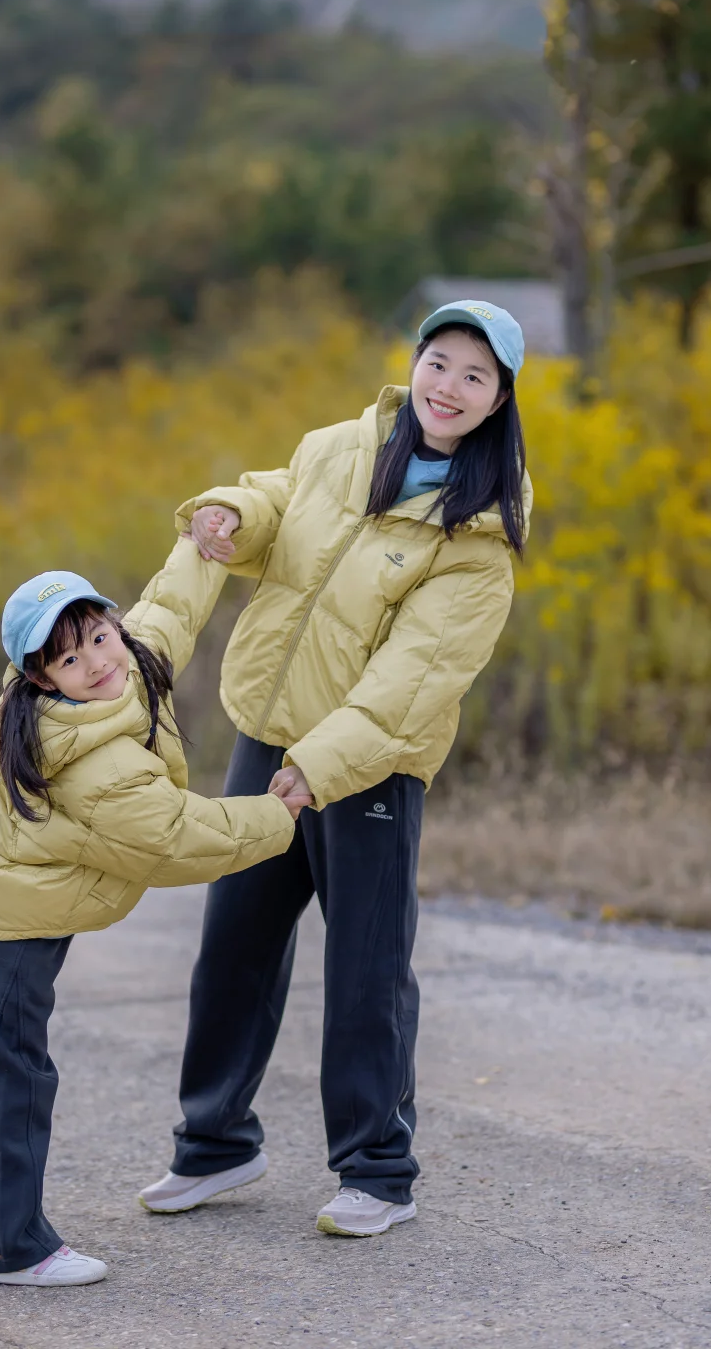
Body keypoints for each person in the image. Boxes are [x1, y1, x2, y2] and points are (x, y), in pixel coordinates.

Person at [139, 299, 532, 1237]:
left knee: (365, 968)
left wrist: (322, 766)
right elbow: (282, 505)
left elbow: (413, 682)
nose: (449, 386)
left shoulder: (479, 538)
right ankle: (215, 1145)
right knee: (232, 946)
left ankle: (377, 1171)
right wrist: (236, 511)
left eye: (475, 376)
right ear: (418, 362)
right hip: (267, 737)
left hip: (371, 770)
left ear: (499, 400)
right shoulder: (343, 446)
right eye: (440, 362)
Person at [0, 546, 310, 1287]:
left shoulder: (126, 660)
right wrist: (274, 814)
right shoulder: (91, 764)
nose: (99, 663)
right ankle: (14, 1247)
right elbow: (176, 839)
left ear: (111, 623)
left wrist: (202, 546)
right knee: (11, 1065)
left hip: (13, 878)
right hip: (15, 903)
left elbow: (169, 608)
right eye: (71, 661)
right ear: (42, 679)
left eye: (100, 636)